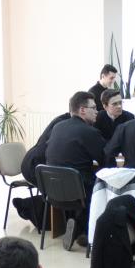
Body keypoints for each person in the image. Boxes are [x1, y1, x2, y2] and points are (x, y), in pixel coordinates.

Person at [47, 91, 108, 248]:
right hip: (78, 191)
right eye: (94, 108)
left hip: (53, 189)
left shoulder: (58, 127)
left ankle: (76, 225)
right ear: (82, 110)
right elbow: (107, 160)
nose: (97, 112)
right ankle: (87, 231)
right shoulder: (89, 132)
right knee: (103, 184)